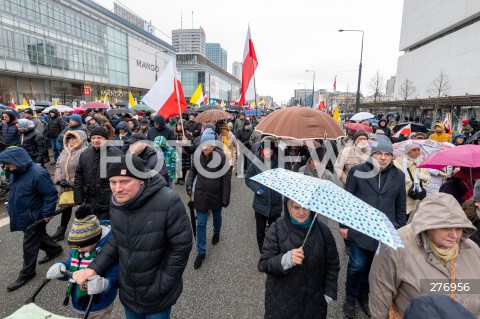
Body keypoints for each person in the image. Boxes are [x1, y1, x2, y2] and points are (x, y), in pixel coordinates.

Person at [73, 154, 192, 319]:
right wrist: (94, 267)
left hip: (158, 293)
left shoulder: (169, 201)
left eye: (125, 181)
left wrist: (164, 283)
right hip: (129, 290)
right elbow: (116, 239)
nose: (117, 189)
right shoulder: (116, 201)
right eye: (113, 182)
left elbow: (181, 247)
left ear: (141, 180)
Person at [369, 193, 480, 318]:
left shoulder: (473, 249)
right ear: (428, 225)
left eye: (459, 228)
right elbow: (380, 295)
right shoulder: (396, 247)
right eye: (446, 227)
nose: (455, 236)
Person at [340, 136, 407, 318]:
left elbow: (400, 206)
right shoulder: (357, 171)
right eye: (379, 154)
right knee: (357, 266)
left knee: (373, 269)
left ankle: (365, 296)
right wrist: (344, 225)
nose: (383, 158)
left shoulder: (399, 176)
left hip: (384, 232)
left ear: (392, 157)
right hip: (360, 229)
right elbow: (348, 201)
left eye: (387, 154)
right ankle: (350, 299)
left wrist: (400, 229)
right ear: (372, 154)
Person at [258, 198, 340, 319]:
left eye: (306, 207)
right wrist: (286, 259)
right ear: (288, 208)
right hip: (281, 303)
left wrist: (329, 292)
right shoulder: (276, 228)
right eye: (296, 207)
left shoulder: (324, 231)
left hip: (313, 304)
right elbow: (264, 264)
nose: (301, 212)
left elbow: (332, 264)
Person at [0, 147, 63, 292]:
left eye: (9, 163)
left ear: (18, 160)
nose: (7, 166)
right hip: (24, 214)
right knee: (37, 237)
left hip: (35, 216)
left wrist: (47, 214)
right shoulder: (16, 171)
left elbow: (50, 194)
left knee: (29, 246)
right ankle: (55, 249)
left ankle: (27, 273)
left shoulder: (38, 173)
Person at [46, 205, 119, 318]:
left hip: (99, 305)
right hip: (79, 302)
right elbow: (70, 267)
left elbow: (116, 278)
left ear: (95, 239)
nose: (79, 250)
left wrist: (105, 284)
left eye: (83, 246)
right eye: (76, 246)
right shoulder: (77, 250)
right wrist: (60, 268)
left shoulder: (108, 253)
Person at [186, 128, 231, 269]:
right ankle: (201, 251)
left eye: (208, 146)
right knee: (201, 223)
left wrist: (225, 197)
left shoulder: (221, 157)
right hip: (200, 194)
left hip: (216, 194)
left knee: (217, 217)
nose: (205, 149)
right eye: (203, 146)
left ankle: (216, 232)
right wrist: (188, 184)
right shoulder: (197, 154)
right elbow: (193, 171)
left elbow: (226, 179)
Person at [74, 127, 122, 220]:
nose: (96, 140)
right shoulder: (85, 154)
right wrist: (78, 198)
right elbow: (79, 176)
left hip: (109, 202)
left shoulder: (117, 154)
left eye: (99, 138)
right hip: (90, 200)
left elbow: (121, 179)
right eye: (93, 138)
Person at [245, 137, 283, 252]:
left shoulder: (280, 162)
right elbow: (248, 179)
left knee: (274, 231)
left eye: (269, 150)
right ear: (262, 149)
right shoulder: (256, 162)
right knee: (260, 232)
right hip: (260, 204)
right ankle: (262, 252)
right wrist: (258, 189)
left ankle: (271, 251)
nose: (267, 152)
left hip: (276, 204)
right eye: (265, 150)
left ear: (273, 150)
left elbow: (287, 177)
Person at [50, 130, 88, 241]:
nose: (71, 140)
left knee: (84, 208)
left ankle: (87, 231)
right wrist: (59, 180)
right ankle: (61, 231)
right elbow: (57, 166)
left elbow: (86, 170)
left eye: (74, 138)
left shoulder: (85, 151)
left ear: (81, 139)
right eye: (69, 138)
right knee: (66, 207)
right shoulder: (65, 150)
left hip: (80, 185)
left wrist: (72, 181)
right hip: (66, 186)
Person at [393, 143, 431, 217]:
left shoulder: (421, 163)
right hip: (400, 195)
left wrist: (424, 177)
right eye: (413, 150)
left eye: (418, 150)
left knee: (409, 218)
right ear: (407, 151)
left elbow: (428, 177)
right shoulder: (397, 162)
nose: (417, 152)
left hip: (414, 196)